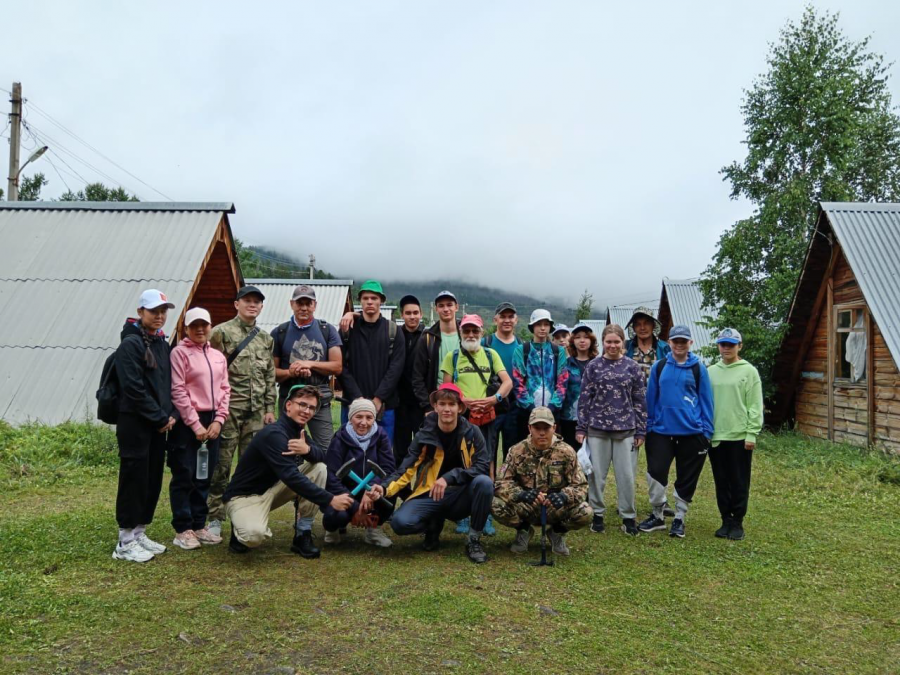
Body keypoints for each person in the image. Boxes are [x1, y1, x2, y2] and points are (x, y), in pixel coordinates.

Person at [369, 383, 493, 564]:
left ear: (460, 408)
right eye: (442, 404)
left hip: (461, 495)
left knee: (485, 483)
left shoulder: (472, 432)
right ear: (435, 406)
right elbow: (406, 469)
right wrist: (384, 488)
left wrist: (449, 478)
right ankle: (432, 524)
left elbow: (482, 466)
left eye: (451, 404)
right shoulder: (424, 435)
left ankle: (473, 540)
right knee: (400, 523)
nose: (447, 409)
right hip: (431, 494)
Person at [224, 385, 353, 558]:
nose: (307, 411)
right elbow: (291, 476)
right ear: (288, 405)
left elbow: (323, 457)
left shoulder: (298, 431)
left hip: (273, 490)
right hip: (244, 497)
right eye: (302, 404)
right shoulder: (274, 433)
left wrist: (307, 450)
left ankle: (302, 534)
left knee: (319, 468)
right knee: (253, 536)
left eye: (312, 408)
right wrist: (331, 499)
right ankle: (239, 527)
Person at [111, 289, 179, 562]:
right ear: (140, 312)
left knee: (151, 479)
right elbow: (133, 389)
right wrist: (160, 418)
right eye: (153, 311)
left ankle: (139, 532)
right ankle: (125, 541)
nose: (159, 316)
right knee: (134, 478)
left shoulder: (161, 343)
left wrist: (170, 415)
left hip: (158, 425)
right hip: (135, 423)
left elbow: (167, 385)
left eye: (163, 311)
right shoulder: (131, 344)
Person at [206, 285, 277, 538]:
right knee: (221, 464)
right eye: (247, 300)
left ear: (261, 307)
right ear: (237, 304)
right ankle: (215, 516)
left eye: (257, 302)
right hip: (228, 410)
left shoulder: (265, 339)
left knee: (251, 466)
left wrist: (269, 408)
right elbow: (209, 370)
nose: (252, 305)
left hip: (256, 413)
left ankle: (245, 515)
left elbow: (269, 376)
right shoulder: (220, 333)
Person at [639, 325, 714, 539]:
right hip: (661, 431)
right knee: (656, 472)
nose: (679, 345)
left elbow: (707, 400)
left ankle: (679, 517)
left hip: (692, 433)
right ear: (669, 343)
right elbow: (651, 398)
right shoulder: (659, 366)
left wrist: (707, 432)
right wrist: (649, 426)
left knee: (687, 476)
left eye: (683, 341)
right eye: (675, 341)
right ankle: (657, 515)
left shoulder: (699, 368)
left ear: (690, 343)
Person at [440, 314, 512, 535]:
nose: (471, 335)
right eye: (467, 331)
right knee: (460, 462)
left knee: (487, 462)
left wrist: (494, 399)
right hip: (461, 419)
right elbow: (446, 390)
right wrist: (463, 401)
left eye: (475, 331)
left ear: (481, 333)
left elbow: (507, 382)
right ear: (461, 333)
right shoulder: (452, 357)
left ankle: (485, 513)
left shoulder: (491, 354)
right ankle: (462, 514)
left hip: (485, 418)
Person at [168, 307, 231, 550]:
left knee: (204, 474)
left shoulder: (217, 356)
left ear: (210, 326)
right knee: (184, 474)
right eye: (194, 325)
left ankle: (198, 524)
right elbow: (178, 390)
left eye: (204, 324)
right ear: (186, 328)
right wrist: (195, 424)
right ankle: (183, 528)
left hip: (213, 419)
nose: (200, 329)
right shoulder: (179, 353)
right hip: (188, 422)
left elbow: (225, 389)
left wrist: (219, 419)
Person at [575, 324, 647, 536]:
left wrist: (641, 430)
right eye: (609, 341)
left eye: (617, 341)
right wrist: (581, 427)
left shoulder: (633, 367)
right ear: (603, 342)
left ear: (623, 342)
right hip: (597, 429)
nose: (613, 345)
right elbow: (584, 398)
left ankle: (628, 516)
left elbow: (640, 400)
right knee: (596, 475)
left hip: (626, 431)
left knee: (626, 476)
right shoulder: (593, 366)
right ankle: (597, 514)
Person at [492, 407, 592, 556]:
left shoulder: (566, 452)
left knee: (586, 512)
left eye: (546, 428)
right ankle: (523, 530)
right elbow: (501, 483)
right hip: (526, 506)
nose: (542, 433)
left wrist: (564, 496)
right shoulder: (516, 451)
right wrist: (521, 494)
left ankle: (557, 532)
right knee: (495, 504)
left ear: (554, 428)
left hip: (555, 507)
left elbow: (581, 486)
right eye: (537, 428)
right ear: (529, 428)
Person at [708, 328, 763, 541]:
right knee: (721, 481)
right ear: (718, 346)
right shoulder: (711, 371)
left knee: (739, 481)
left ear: (739, 346)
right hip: (716, 435)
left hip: (739, 436)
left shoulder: (749, 371)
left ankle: (737, 521)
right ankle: (725, 519)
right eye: (723, 344)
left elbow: (755, 404)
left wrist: (752, 433)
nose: (727, 348)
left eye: (731, 344)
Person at [272, 284, 342, 449]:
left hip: (319, 399)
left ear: (314, 305)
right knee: (287, 447)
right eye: (299, 303)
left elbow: (337, 366)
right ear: (292, 304)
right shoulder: (279, 332)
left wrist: (309, 363)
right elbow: (271, 372)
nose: (304, 308)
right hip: (290, 399)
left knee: (326, 448)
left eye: (308, 303)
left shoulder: (327, 330)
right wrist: (290, 372)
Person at [322, 398, 396, 547]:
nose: (364, 422)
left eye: (369, 417)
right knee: (337, 514)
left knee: (390, 492)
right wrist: (355, 507)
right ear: (350, 418)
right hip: (345, 491)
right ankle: (333, 529)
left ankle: (373, 530)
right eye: (359, 417)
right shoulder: (339, 438)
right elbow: (332, 477)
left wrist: (372, 489)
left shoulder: (381, 436)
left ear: (374, 418)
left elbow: (388, 468)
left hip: (370, 489)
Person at [624, 307, 675, 520]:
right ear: (633, 327)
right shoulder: (625, 348)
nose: (642, 327)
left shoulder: (664, 349)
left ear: (654, 325)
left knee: (658, 460)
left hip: (657, 411)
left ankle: (660, 501)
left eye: (646, 323)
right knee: (628, 461)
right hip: (629, 412)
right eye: (638, 324)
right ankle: (627, 501)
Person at [339, 280, 406, 442]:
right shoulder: (347, 329)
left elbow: (396, 368)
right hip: (352, 404)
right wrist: (357, 398)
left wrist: (378, 398)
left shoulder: (393, 331)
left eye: (374, 298)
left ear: (381, 301)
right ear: (360, 300)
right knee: (350, 450)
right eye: (366, 298)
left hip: (384, 407)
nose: (370, 302)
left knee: (382, 452)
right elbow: (340, 365)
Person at [511, 309, 568, 440]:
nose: (542, 328)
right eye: (538, 324)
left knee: (552, 448)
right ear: (532, 327)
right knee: (527, 447)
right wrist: (530, 407)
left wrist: (552, 407)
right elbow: (518, 382)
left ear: (550, 327)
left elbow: (562, 382)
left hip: (552, 411)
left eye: (546, 324)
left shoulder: (558, 351)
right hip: (527, 412)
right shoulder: (521, 350)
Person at [483, 302, 523, 467]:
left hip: (513, 404)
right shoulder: (486, 343)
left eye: (510, 317)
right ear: (495, 320)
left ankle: (509, 480)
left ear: (516, 320)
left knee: (512, 449)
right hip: (491, 403)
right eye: (503, 317)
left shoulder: (522, 345)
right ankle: (488, 480)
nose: (507, 320)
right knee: (488, 449)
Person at [410, 290, 460, 416]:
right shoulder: (427, 338)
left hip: (464, 402)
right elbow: (417, 377)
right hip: (439, 404)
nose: (446, 309)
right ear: (436, 309)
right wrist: (428, 406)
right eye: (441, 306)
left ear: (456, 307)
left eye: (449, 305)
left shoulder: (467, 334)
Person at [559, 323, 599, 449]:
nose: (582, 340)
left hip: (594, 419)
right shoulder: (565, 364)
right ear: (573, 341)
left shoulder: (599, 364)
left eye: (586, 337)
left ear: (591, 340)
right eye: (578, 337)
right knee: (571, 454)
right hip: (569, 418)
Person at [394, 294, 425, 454]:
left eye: (415, 313)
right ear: (402, 315)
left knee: (423, 448)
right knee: (400, 448)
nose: (412, 317)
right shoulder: (394, 335)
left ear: (421, 314)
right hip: (400, 402)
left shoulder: (428, 336)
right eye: (408, 313)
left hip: (421, 402)